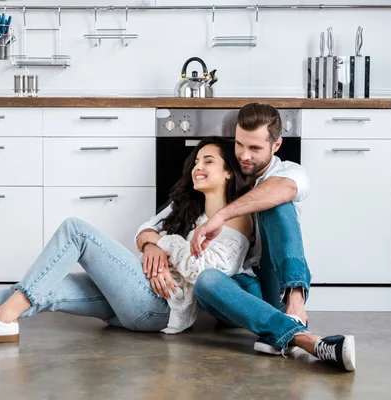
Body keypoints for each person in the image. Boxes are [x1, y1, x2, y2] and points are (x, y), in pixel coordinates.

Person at [135, 103, 356, 372]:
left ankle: (292, 310)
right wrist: (150, 245)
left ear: (275, 146)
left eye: (255, 149)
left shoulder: (286, 173)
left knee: (277, 204)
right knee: (206, 279)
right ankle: (301, 336)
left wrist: (222, 216)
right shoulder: (213, 179)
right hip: (233, 290)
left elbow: (283, 189)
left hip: (276, 288)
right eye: (240, 145)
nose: (244, 155)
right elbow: (149, 227)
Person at [0, 137, 254, 343]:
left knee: (76, 231)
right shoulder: (185, 206)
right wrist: (150, 244)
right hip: (133, 294)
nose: (198, 167)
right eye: (196, 162)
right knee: (45, 289)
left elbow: (209, 273)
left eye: (208, 161)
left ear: (229, 171)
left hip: (161, 304)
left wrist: (164, 244)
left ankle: (3, 320)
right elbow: (145, 230)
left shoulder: (237, 217)